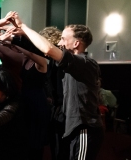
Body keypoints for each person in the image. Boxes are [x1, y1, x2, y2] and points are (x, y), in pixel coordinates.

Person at [9, 11, 104, 160]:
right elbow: (41, 51)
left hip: (84, 129)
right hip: (72, 127)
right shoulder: (71, 64)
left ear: (76, 43)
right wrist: (13, 38)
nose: (59, 43)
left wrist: (23, 26)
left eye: (63, 39)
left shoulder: (85, 63)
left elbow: (48, 49)